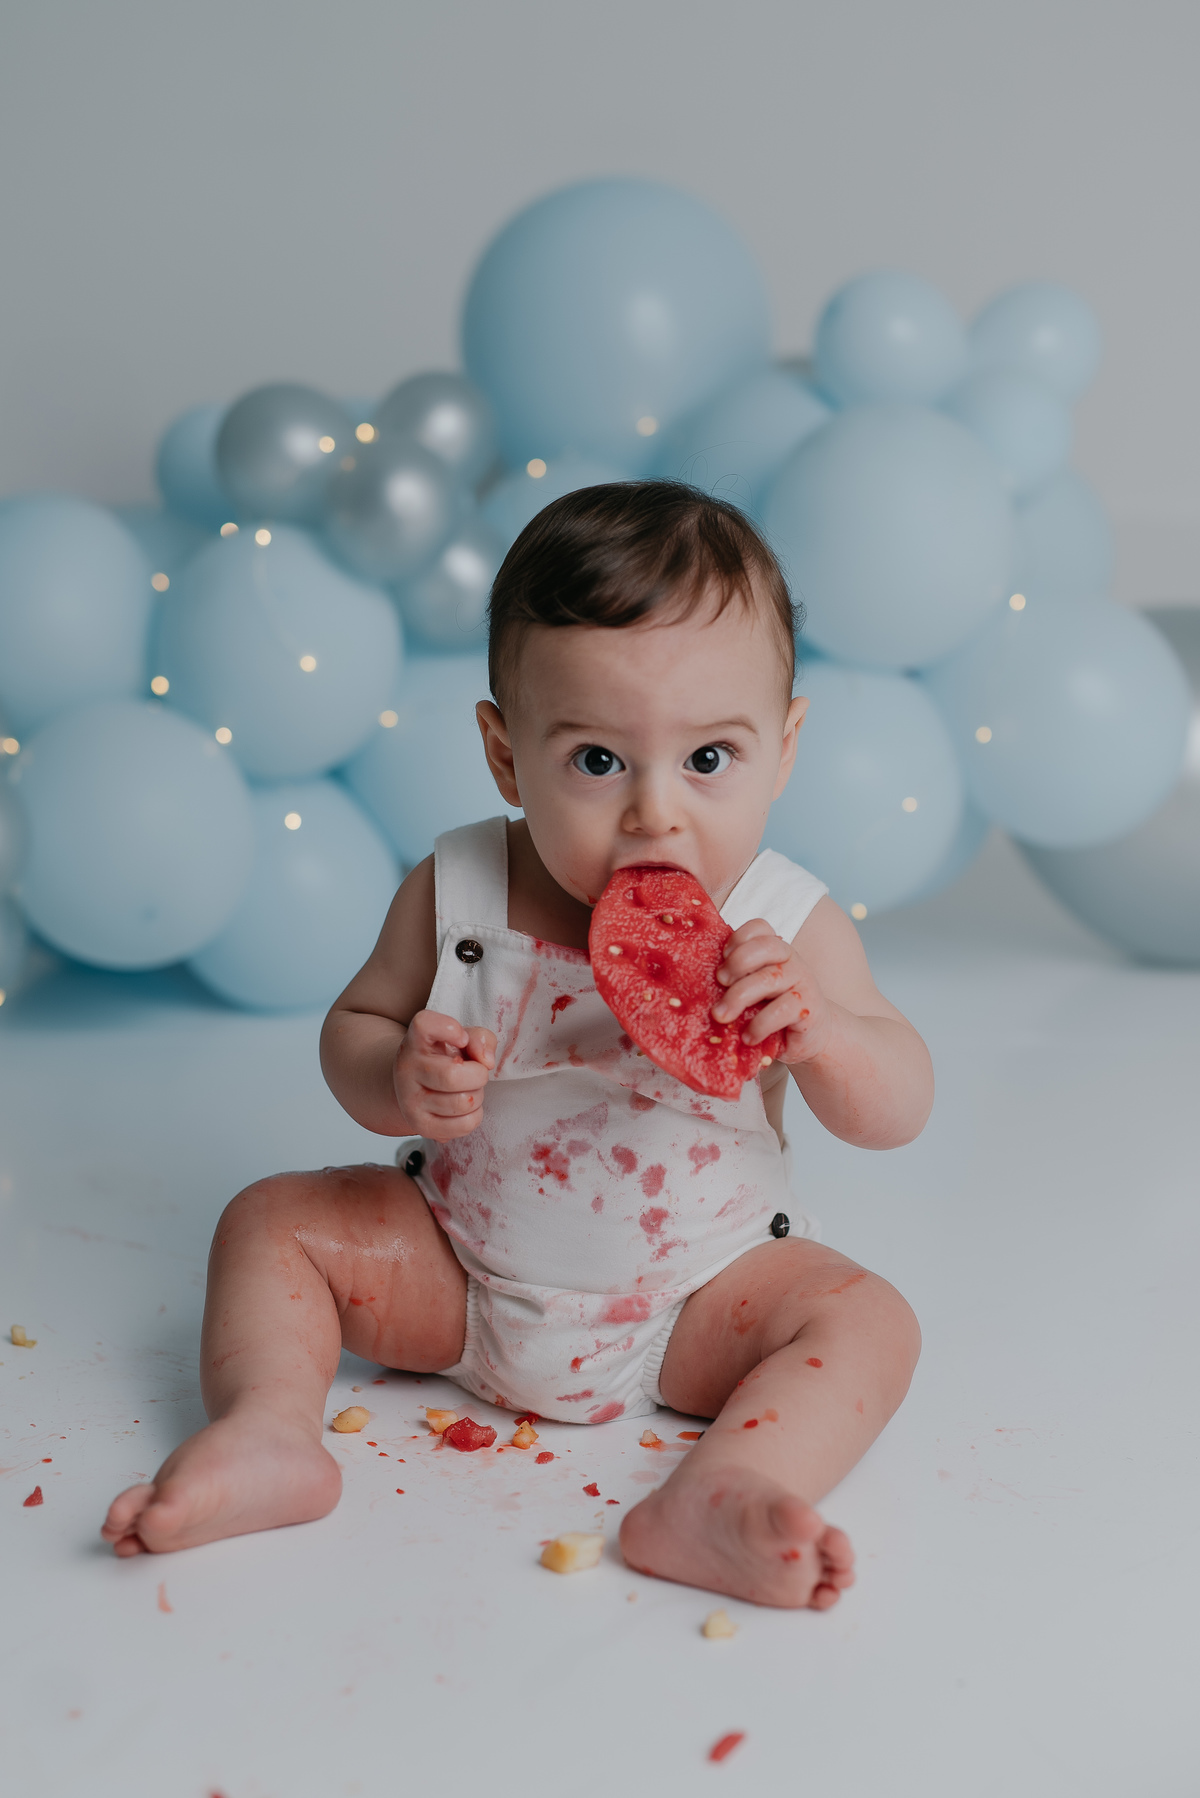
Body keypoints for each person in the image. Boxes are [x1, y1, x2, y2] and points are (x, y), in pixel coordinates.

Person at [102, 482, 929, 1609]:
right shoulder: (462, 887)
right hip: (455, 1276)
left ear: (784, 748)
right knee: (271, 1223)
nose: (654, 813)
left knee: (867, 1320)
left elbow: (900, 1104)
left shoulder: (784, 919)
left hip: (698, 1300)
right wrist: (396, 1074)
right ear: (505, 753)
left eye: (709, 759)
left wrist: (823, 1033)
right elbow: (355, 1030)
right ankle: (272, 1432)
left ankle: (725, 1485)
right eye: (595, 761)